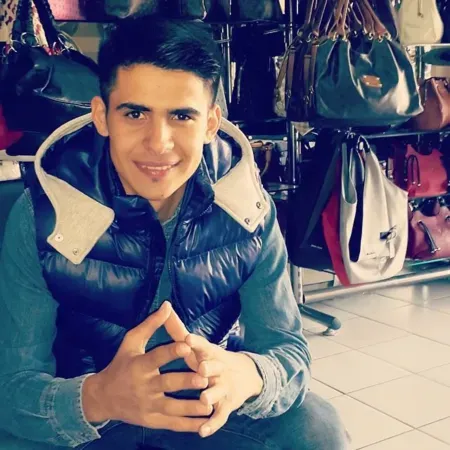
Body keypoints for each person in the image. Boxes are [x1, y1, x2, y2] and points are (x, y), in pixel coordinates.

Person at [0, 16, 349, 449]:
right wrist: (100, 396)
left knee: (316, 428)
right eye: (135, 113)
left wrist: (247, 375)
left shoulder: (246, 207)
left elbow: (289, 354)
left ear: (211, 123)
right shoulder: (43, 214)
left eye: (181, 115)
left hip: (201, 408)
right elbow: (13, 388)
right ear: (102, 116)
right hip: (91, 411)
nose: (159, 143)